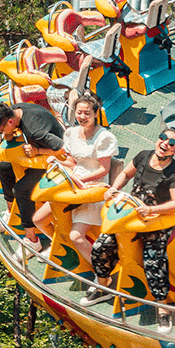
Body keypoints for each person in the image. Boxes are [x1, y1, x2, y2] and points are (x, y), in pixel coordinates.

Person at [83, 125, 175, 331]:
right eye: (163, 137)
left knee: (152, 260)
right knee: (101, 246)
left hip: (155, 219)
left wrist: (151, 209)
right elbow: (126, 174)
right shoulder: (143, 156)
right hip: (131, 214)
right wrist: (114, 189)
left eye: (171, 143)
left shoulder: (174, 174)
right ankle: (103, 284)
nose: (165, 143)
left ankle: (162, 308)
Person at [0, 99, 64, 242]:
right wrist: (7, 134)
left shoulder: (35, 132)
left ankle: (32, 239)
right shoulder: (15, 110)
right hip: (38, 151)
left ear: (9, 122)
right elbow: (10, 132)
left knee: (21, 189)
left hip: (56, 159)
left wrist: (37, 150)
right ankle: (10, 211)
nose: (0, 133)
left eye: (0, 130)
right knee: (2, 168)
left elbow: (63, 149)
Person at [61, 95, 118, 266]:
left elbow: (104, 169)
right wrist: (55, 161)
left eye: (87, 113)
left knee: (76, 236)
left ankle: (101, 268)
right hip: (74, 181)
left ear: (95, 113)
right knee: (39, 218)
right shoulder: (71, 133)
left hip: (94, 185)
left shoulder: (103, 137)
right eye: (79, 113)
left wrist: (80, 178)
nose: (82, 117)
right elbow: (71, 163)